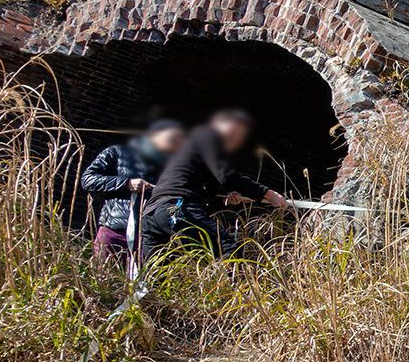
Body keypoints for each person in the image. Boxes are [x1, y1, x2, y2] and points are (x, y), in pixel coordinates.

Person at [139, 109, 287, 261]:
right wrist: (266, 192)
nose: (236, 138)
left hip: (151, 215)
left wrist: (226, 199)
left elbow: (200, 189)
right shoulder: (208, 137)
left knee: (159, 275)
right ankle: (234, 284)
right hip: (175, 207)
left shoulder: (191, 151)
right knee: (229, 250)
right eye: (233, 130)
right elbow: (227, 176)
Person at [80, 119, 186, 264]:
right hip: (114, 231)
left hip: (150, 238)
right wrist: (127, 183)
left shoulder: (172, 168)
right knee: (104, 280)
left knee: (143, 284)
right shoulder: (117, 152)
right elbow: (88, 180)